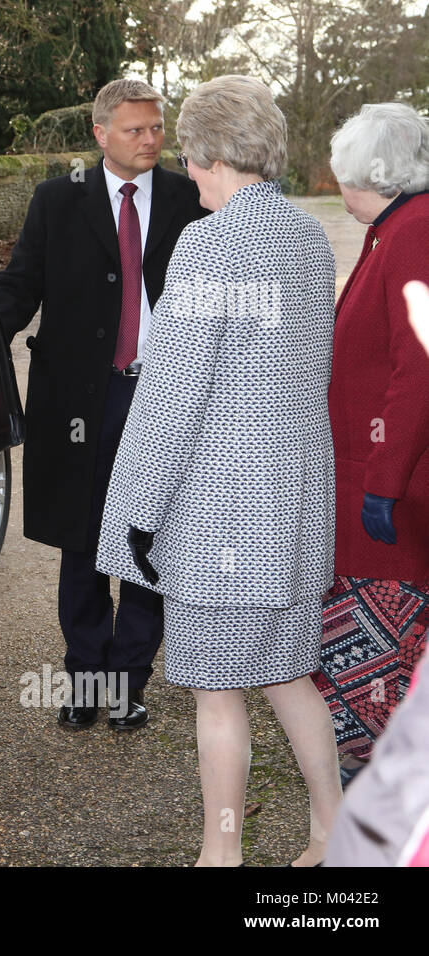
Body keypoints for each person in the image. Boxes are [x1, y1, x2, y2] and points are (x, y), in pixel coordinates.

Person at [96, 75, 342, 867]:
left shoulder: (208, 246)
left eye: (191, 158)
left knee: (218, 693)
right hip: (297, 505)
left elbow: (171, 400)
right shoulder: (308, 238)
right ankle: (335, 833)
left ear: (213, 153)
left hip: (225, 519)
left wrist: (134, 513)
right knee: (289, 676)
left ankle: (219, 857)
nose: (186, 173)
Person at [0, 78, 205, 730]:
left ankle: (130, 680)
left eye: (156, 128)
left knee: (148, 538)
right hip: (81, 401)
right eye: (135, 129)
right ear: (100, 132)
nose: (150, 140)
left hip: (164, 396)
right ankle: (86, 677)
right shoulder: (59, 200)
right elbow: (21, 283)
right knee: (82, 540)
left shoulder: (190, 198)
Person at [312, 102, 429, 787]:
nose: (338, 189)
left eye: (344, 177)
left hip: (391, 499)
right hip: (375, 488)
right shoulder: (392, 228)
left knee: (374, 684)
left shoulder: (414, 232)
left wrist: (383, 481)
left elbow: (418, 368)